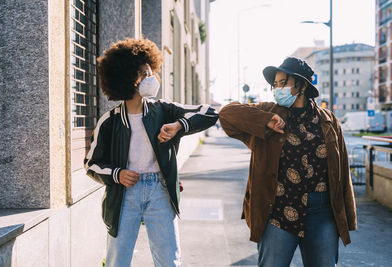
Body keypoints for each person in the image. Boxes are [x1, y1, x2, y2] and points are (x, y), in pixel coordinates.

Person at [84, 38, 218, 267]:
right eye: (145, 73)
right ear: (128, 79)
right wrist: (117, 174)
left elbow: (209, 113)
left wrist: (179, 126)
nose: (152, 78)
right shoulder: (109, 121)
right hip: (124, 195)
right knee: (118, 261)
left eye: (151, 71)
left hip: (160, 191)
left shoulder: (163, 109)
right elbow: (90, 164)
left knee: (169, 262)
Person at [219, 57, 356, 267]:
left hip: (321, 214)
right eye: (275, 85)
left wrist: (348, 215)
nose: (277, 89)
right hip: (278, 212)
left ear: (301, 85)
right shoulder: (269, 112)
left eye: (283, 83)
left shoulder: (328, 121)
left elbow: (342, 171)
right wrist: (265, 121)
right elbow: (226, 115)